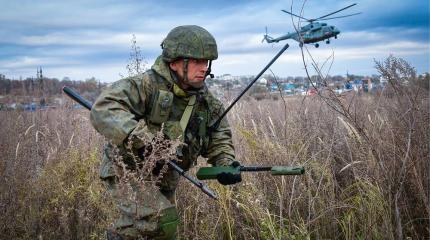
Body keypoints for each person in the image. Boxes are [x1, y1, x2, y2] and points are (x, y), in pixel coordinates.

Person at [90, 25, 241, 240]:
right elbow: (105, 107)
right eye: (197, 61)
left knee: (159, 233)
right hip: (127, 169)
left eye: (206, 62)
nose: (204, 68)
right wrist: (144, 139)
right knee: (160, 220)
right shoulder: (146, 85)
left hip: (165, 177)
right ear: (174, 62)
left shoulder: (206, 103)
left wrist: (226, 164)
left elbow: (219, 138)